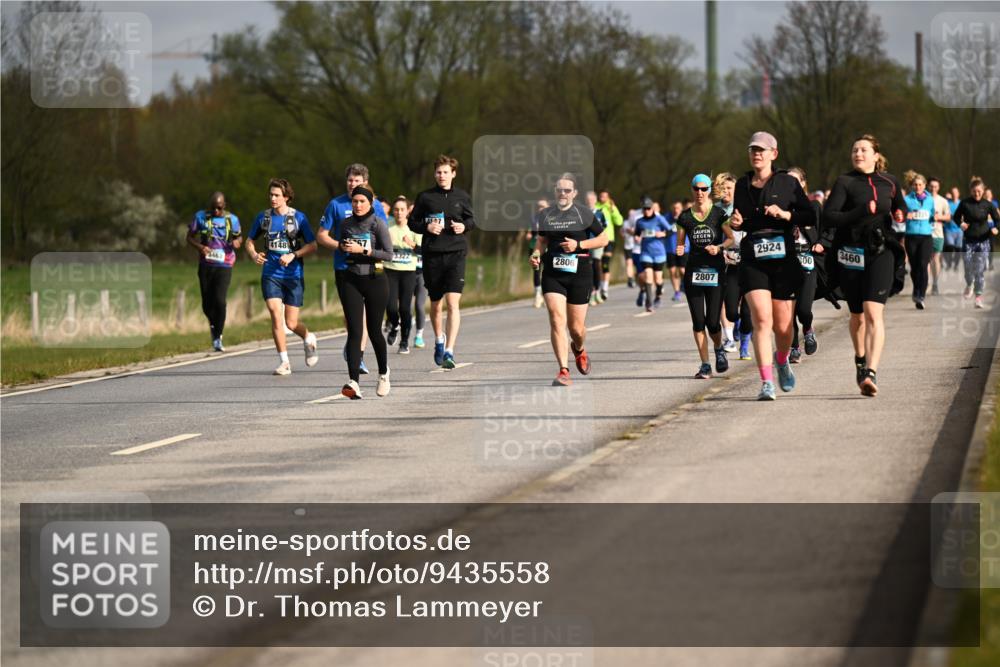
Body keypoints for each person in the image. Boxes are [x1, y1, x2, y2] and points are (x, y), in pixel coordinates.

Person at [730, 131, 814, 400]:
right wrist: (736, 223)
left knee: (783, 327)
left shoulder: (787, 182)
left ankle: (781, 359)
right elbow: (740, 219)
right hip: (754, 255)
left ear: (773, 154)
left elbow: (809, 214)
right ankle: (766, 383)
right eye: (753, 149)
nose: (757, 153)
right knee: (761, 321)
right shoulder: (742, 185)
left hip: (783, 257)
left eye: (762, 150)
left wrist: (786, 214)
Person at [823, 134, 907, 397]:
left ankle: (871, 371)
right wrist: (860, 212)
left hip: (881, 251)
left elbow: (899, 204)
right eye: (855, 150)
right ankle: (860, 359)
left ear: (875, 156)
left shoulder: (890, 182)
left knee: (874, 313)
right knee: (857, 315)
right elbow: (829, 217)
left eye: (863, 150)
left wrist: (899, 212)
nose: (858, 154)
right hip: (850, 252)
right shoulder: (844, 182)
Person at [530, 174, 609, 386]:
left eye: (567, 190)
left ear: (574, 193)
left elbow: (604, 238)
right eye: (559, 190)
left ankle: (579, 349)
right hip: (553, 273)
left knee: (576, 329)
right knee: (557, 319)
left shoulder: (584, 214)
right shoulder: (546, 214)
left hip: (580, 274)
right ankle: (563, 370)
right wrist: (536, 254)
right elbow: (542, 240)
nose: (562, 194)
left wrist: (579, 245)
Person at [317, 163, 389, 375]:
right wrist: (340, 246)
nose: (352, 184)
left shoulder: (373, 205)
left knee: (369, 319)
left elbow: (383, 239)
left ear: (365, 183)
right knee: (355, 318)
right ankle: (355, 353)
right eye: (350, 180)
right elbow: (321, 235)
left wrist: (366, 250)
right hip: (344, 268)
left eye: (357, 181)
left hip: (371, 269)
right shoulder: (335, 205)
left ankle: (358, 355)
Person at [408, 154, 476, 369]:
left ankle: (450, 351)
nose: (442, 176)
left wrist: (464, 227)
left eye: (446, 172)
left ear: (453, 174)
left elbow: (472, 219)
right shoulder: (425, 197)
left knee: (453, 303)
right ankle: (439, 340)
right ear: (434, 174)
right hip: (433, 254)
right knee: (436, 305)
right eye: (438, 172)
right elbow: (412, 222)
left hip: (456, 253)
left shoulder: (462, 196)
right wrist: (426, 228)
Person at [246, 178, 319, 375]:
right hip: (271, 273)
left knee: (291, 323)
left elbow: (313, 245)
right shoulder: (264, 218)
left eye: (277, 195)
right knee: (274, 313)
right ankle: (284, 362)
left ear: (286, 197)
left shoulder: (298, 218)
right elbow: (249, 241)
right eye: (271, 194)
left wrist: (293, 254)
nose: (273, 198)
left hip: (293, 274)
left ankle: (308, 338)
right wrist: (254, 254)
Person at [328, 186, 393, 398]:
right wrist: (344, 248)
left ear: (370, 203)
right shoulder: (345, 224)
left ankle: (383, 373)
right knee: (355, 331)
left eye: (361, 201)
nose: (357, 205)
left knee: (374, 331)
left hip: (375, 279)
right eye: (354, 201)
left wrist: (364, 250)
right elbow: (342, 246)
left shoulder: (378, 224)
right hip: (351, 279)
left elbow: (389, 254)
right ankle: (353, 382)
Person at [676, 174, 735, 378]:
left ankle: (718, 349)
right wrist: (680, 248)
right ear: (692, 190)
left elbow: (730, 239)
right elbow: (681, 242)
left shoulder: (718, 214)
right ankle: (705, 364)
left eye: (703, 189)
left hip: (715, 273)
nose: (700, 192)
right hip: (693, 274)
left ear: (709, 190)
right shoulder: (684, 217)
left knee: (712, 322)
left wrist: (718, 248)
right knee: (698, 322)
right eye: (696, 189)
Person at [187, 191, 242, 352]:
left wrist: (237, 242)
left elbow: (239, 237)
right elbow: (189, 237)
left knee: (220, 300)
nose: (215, 211)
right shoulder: (200, 217)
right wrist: (200, 247)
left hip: (225, 264)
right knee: (206, 305)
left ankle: (218, 336)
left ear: (224, 206)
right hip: (205, 264)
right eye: (213, 208)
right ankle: (214, 325)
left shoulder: (232, 220)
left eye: (218, 208)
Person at [714, 172, 753, 360]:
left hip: (748, 262)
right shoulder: (715, 210)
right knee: (730, 308)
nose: (726, 192)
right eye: (723, 188)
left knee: (747, 311)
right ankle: (731, 333)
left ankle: (744, 346)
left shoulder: (745, 206)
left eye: (730, 188)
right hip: (728, 262)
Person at [787, 167, 822, 362]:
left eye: (796, 181)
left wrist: (819, 244)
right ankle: (794, 348)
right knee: (787, 313)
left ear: (803, 184)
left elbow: (826, 231)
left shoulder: (814, 206)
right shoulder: (779, 209)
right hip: (786, 262)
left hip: (807, 260)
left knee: (803, 309)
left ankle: (808, 330)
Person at [954, 176, 1000, 308]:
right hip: (969, 240)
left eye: (979, 191)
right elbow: (956, 217)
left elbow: (997, 219)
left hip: (984, 240)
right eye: (974, 191)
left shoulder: (988, 205)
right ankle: (969, 284)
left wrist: (996, 228)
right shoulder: (965, 203)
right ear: (970, 191)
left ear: (983, 190)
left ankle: (978, 297)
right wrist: (961, 224)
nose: (977, 194)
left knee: (979, 269)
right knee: (968, 268)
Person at [384, 196, 422, 354]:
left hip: (408, 272)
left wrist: (411, 244)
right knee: (391, 306)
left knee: (405, 309)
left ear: (408, 212)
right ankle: (395, 325)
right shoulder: (387, 225)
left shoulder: (414, 227)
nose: (399, 213)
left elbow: (423, 249)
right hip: (390, 270)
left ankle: (405, 341)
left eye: (402, 210)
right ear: (393, 212)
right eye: (396, 210)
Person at [902, 171, 937, 309]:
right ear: (913, 186)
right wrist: (906, 215)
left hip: (926, 237)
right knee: (914, 267)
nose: (917, 187)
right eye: (915, 185)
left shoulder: (930, 199)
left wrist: (933, 219)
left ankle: (920, 295)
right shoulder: (907, 199)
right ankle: (916, 289)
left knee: (923, 265)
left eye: (920, 185)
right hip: (911, 237)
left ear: (924, 185)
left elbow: (932, 214)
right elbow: (900, 214)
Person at [633, 197, 670, 311]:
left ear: (652, 208)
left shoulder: (660, 219)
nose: (646, 211)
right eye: (644, 209)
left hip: (659, 253)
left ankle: (658, 297)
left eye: (648, 208)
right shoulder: (639, 221)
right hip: (646, 253)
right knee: (648, 276)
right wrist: (637, 238)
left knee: (658, 279)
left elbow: (669, 231)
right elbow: (637, 233)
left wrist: (662, 234)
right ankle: (649, 302)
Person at [595, 189, 623, 299]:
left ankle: (605, 288)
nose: (602, 198)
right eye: (600, 196)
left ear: (608, 197)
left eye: (604, 196)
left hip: (609, 239)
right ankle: (598, 286)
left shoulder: (611, 207)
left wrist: (613, 210)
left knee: (605, 263)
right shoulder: (595, 206)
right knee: (597, 264)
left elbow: (619, 222)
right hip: (596, 239)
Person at [583, 191, 608, 306]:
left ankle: (597, 290)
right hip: (586, 243)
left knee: (596, 264)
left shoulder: (600, 213)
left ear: (595, 201)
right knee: (588, 267)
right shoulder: (581, 214)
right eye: (588, 200)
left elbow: (604, 228)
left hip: (597, 243)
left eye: (591, 200)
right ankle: (591, 292)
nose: (589, 202)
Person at [927, 177, 950, 294]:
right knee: (926, 259)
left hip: (938, 233)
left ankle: (935, 283)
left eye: (935, 186)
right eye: (931, 186)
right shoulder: (924, 199)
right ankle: (927, 284)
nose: (933, 189)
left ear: (939, 187)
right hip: (924, 234)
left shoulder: (943, 201)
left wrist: (938, 217)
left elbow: (948, 217)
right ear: (928, 186)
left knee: (935, 259)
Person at [665, 201, 689, 301]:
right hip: (670, 248)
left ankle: (685, 285)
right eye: (674, 208)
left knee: (683, 270)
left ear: (681, 208)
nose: (676, 210)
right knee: (672, 271)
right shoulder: (667, 218)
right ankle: (677, 292)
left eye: (678, 208)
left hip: (684, 247)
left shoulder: (686, 217)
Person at [528, 199, 549, 308]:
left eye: (543, 206)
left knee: (547, 271)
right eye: (539, 206)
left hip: (547, 248)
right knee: (536, 270)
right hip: (534, 247)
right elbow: (530, 230)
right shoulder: (534, 218)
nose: (541, 208)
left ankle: (546, 295)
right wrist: (529, 234)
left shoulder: (551, 218)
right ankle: (537, 294)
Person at [944, 185, 964, 272]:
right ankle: (948, 263)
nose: (954, 194)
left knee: (958, 249)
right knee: (949, 247)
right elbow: (944, 214)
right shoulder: (947, 203)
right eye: (952, 193)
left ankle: (956, 265)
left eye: (955, 192)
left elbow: (965, 215)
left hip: (959, 230)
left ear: (958, 193)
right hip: (949, 229)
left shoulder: (962, 203)